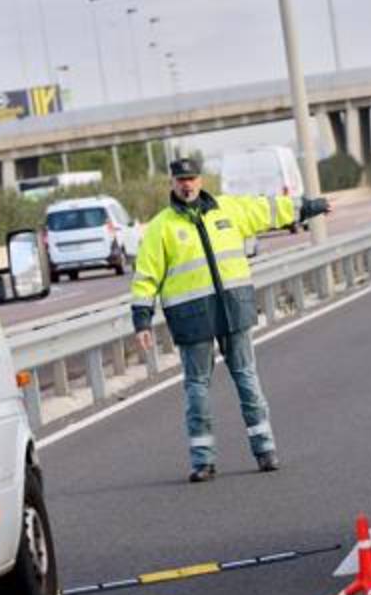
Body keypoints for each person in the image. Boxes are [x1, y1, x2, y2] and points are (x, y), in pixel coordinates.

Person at [131, 158, 331, 483]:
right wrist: (141, 320)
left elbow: (268, 211)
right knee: (197, 388)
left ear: (200, 180)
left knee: (247, 379)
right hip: (191, 316)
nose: (187, 184)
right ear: (172, 182)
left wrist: (309, 207)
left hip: (233, 309)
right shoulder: (161, 227)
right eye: (181, 179)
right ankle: (203, 461)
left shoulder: (227, 210)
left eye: (192, 178)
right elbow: (145, 277)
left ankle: (266, 451)